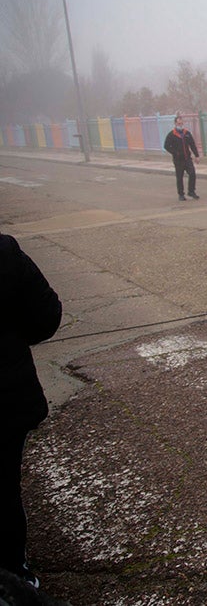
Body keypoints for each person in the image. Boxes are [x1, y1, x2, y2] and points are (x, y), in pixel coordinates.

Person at [1, 233, 62, 589]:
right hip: (5, 400)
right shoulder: (3, 252)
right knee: (4, 489)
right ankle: (15, 574)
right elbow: (45, 317)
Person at [163, 114, 200, 201]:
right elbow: (166, 146)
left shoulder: (187, 133)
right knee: (179, 177)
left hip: (187, 158)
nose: (180, 125)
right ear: (175, 124)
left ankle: (191, 191)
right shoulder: (171, 135)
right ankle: (181, 194)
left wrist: (196, 155)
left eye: (181, 123)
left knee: (192, 174)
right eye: (178, 123)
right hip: (178, 160)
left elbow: (192, 145)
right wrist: (175, 153)